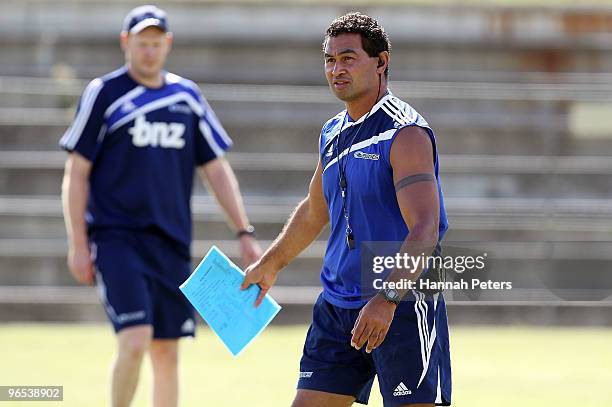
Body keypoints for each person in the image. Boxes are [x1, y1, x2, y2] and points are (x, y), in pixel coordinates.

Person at [241, 12, 451, 407]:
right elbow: (313, 211)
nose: (336, 69)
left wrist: (387, 299)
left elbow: (425, 228)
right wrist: (271, 263)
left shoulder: (404, 134)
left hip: (402, 304)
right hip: (338, 305)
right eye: (330, 59)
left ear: (381, 62)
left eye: (348, 58)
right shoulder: (332, 132)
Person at [59, 5, 261, 407]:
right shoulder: (106, 93)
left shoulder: (186, 96)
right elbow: (76, 172)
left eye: (156, 43)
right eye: (141, 43)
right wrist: (78, 244)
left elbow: (216, 170)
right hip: (117, 238)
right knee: (135, 339)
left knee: (167, 352)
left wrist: (244, 232)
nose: (149, 51)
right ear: (126, 43)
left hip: (170, 243)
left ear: (166, 44)